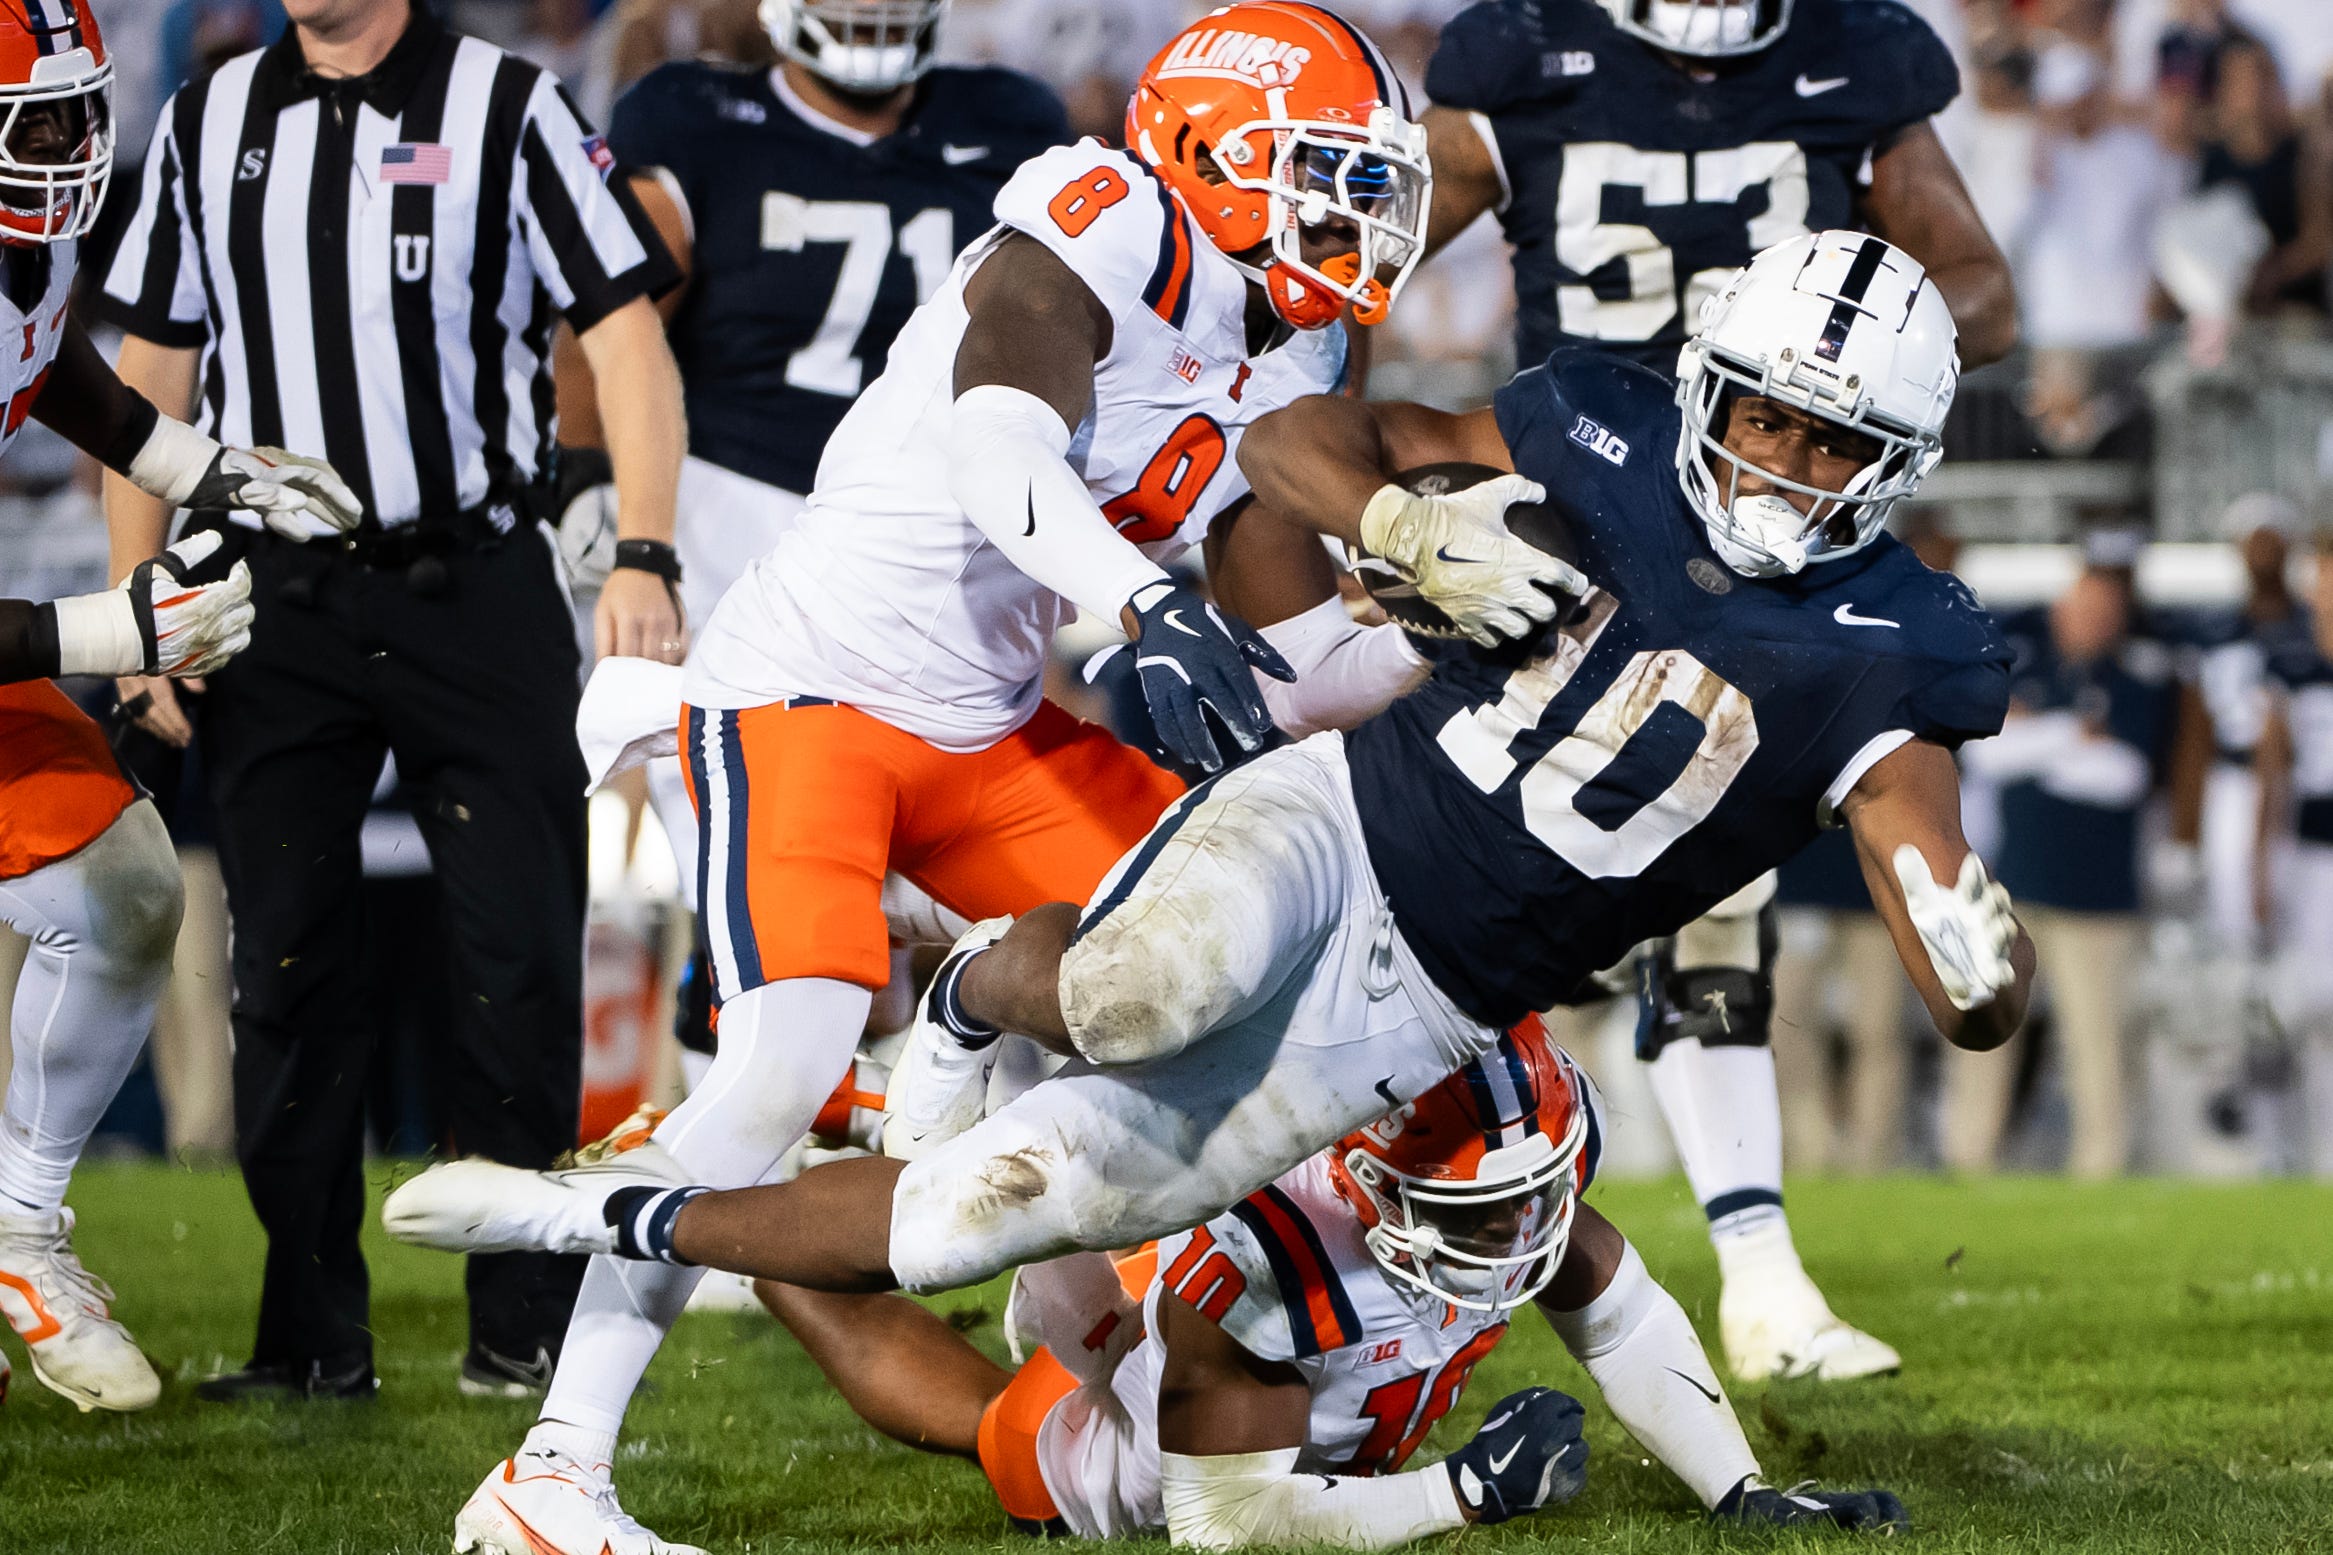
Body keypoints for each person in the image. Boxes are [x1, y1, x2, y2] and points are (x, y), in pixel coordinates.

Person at [382, 232, 2039, 1485]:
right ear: (1706, 384)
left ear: (1895, 463)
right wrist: (1393, 523)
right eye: (1763, 414)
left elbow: (1918, 844)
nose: (1777, 461)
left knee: (974, 1217)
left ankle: (593, 1217)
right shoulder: (1594, 426)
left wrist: (1971, 959)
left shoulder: (1901, 646)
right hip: (1341, 817)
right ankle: (961, 993)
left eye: (1829, 444)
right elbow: (1297, 442)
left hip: (1417, 1009)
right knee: (1132, 980)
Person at [427, 8, 1529, 1552]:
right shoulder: (1105, 217)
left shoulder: (1286, 343)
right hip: (805, 695)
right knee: (770, 1065)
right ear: (1210, 149)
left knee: (1215, 956)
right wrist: (1141, 608)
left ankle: (1055, 1275)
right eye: (1319, 176)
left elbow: (1287, 662)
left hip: (986, 722)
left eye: (1366, 185)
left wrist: (1459, 644)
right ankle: (547, 1478)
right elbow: (997, 446)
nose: (1352, 222)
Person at [1413, 0, 2019, 1383]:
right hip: (1572, 482)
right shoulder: (1524, 53)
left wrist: (1860, 347)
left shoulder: (1854, 54)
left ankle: (1756, 1274)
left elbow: (1978, 290)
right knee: (1443, 862)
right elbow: (1354, 268)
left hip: (1763, 523)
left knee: (1710, 896)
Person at [97, 0, 688, 1402]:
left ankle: (524, 1323)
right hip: (278, 596)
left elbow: (625, 335)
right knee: (284, 972)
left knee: (521, 957)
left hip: (475, 582)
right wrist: (139, 607)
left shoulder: (509, 104)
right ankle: (308, 1338)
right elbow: (148, 384)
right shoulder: (207, 116)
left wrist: (648, 547)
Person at [765, 1019, 1906, 1547]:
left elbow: (1622, 1312)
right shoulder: (1265, 1279)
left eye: (1535, 1193)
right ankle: (745, 1210)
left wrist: (1740, 1490)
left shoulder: (1490, 1197)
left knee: (1046, 1162)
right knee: (1011, 1435)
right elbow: (1226, 1528)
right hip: (1157, 1369)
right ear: (1371, 1179)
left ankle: (875, 1123)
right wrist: (1456, 1496)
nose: (1520, 1229)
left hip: (1185, 1252)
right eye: (1482, 1210)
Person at [557, 0, 1069, 1073]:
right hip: (729, 518)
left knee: (911, 901)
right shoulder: (693, 116)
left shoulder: (1011, 120)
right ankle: (719, 1180)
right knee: (761, 891)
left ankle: (852, 1151)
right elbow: (607, 319)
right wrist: (593, 480)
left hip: (928, 544)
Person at [0, 0, 358, 1412]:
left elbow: (40, 364)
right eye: (42, 120)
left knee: (126, 889)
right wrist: (106, 626)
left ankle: (21, 1228)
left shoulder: (29, 238)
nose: (78, 146)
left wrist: (201, 465)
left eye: (89, 111)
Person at [1953, 563, 2173, 1176]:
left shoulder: (2138, 679)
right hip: (2014, 886)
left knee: (2094, 1039)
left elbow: (2122, 776)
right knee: (1987, 1030)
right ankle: (1970, 1157)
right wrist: (2075, 734)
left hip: (2094, 896)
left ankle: (2099, 1164)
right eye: (2082, 608)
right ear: (2059, 613)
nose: (2091, 622)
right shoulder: (2027, 670)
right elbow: (1990, 755)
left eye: (2104, 611)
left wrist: (2038, 740)